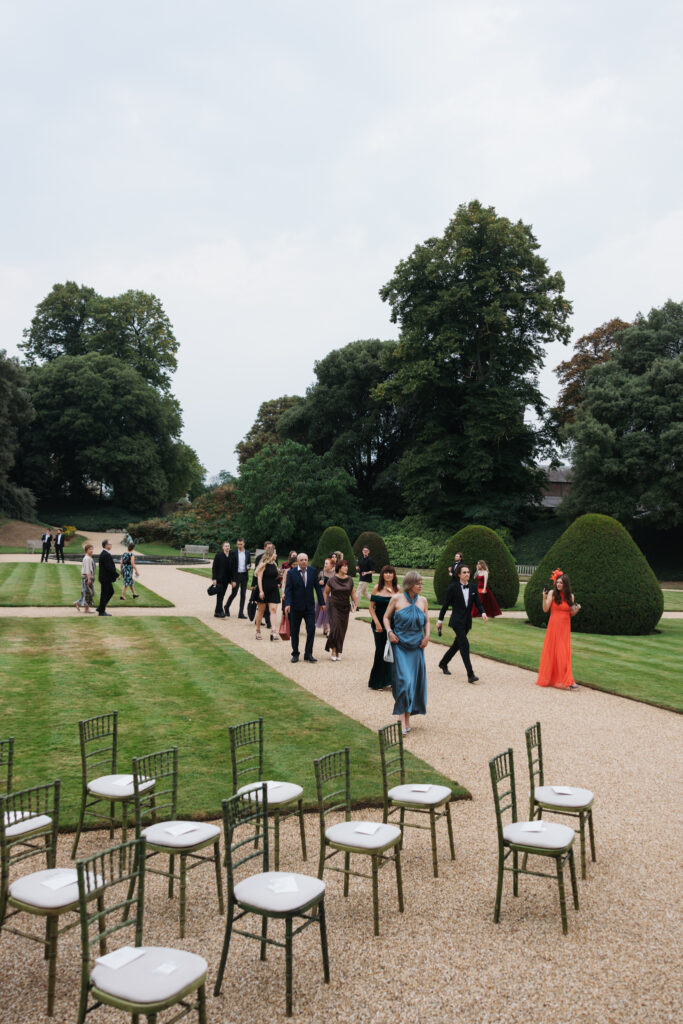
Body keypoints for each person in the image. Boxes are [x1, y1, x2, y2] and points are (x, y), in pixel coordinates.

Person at [384, 570, 429, 735]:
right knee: (405, 683)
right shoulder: (396, 599)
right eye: (418, 583)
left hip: (417, 648)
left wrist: (427, 636)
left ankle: (407, 718)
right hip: (400, 646)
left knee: (413, 685)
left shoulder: (423, 601)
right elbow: (386, 617)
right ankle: (402, 720)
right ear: (410, 584)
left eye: (421, 583)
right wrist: (389, 632)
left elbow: (427, 621)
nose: (421, 586)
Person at [437, 564, 488, 682]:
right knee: (464, 644)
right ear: (459, 575)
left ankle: (443, 663)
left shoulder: (473, 587)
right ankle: (470, 674)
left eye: (468, 572)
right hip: (456, 621)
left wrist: (483, 613)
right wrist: (440, 621)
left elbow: (478, 603)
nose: (467, 574)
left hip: (467, 622)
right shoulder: (452, 587)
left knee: (457, 644)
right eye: (464, 572)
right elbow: (445, 606)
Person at [537, 569, 581, 690]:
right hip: (554, 626)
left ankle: (567, 679)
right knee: (553, 651)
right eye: (557, 582)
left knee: (564, 653)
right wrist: (544, 597)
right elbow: (545, 609)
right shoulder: (552, 593)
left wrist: (576, 610)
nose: (558, 584)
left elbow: (571, 613)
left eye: (561, 583)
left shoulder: (570, 596)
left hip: (565, 628)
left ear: (566, 584)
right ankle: (557, 679)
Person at [284, 552, 325, 663]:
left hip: (309, 607)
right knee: (295, 631)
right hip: (295, 607)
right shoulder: (292, 573)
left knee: (311, 629)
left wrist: (322, 603)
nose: (303, 562)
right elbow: (288, 590)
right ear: (297, 561)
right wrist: (287, 604)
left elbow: (317, 588)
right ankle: (295, 653)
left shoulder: (312, 571)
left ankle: (308, 653)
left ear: (308, 561)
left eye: (305, 560)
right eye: (301, 560)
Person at [368, 565, 399, 690]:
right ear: (382, 575)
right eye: (386, 573)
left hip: (393, 624)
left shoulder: (397, 589)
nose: (388, 575)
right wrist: (377, 622)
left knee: (392, 651)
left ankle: (389, 679)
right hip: (379, 624)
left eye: (390, 573)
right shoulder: (377, 588)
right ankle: (376, 682)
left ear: (394, 575)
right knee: (380, 650)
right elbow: (371, 608)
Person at [324, 560, 358, 661]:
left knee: (342, 630)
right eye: (344, 566)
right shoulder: (332, 580)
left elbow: (353, 593)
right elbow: (326, 593)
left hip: (345, 607)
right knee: (335, 628)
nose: (346, 568)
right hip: (334, 606)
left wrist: (355, 604)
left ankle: (338, 650)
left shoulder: (350, 580)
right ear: (339, 568)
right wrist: (324, 604)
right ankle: (334, 649)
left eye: (347, 566)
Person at [254, 547, 281, 641]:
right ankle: (258, 630)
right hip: (264, 589)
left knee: (273, 609)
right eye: (275, 553)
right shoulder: (263, 565)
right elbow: (259, 578)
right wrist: (261, 591)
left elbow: (275, 576)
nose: (276, 555)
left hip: (273, 589)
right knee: (261, 611)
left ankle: (273, 631)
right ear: (271, 554)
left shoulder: (274, 564)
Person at [226, 538, 251, 618]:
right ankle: (226, 606)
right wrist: (232, 579)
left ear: (244, 544)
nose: (239, 546)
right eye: (238, 544)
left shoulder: (247, 553)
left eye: (241, 544)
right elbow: (230, 567)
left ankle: (241, 613)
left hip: (244, 575)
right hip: (236, 576)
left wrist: (249, 566)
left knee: (243, 594)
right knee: (234, 593)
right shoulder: (233, 552)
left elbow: (249, 563)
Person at [211, 541, 235, 618]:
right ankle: (220, 611)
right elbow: (214, 567)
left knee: (222, 595)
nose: (227, 547)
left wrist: (232, 580)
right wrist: (214, 578)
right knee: (220, 595)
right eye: (226, 546)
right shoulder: (218, 556)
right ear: (223, 547)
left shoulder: (231, 556)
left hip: (226, 580)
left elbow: (231, 569)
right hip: (219, 579)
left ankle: (217, 611)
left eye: (228, 546)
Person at [278, 551, 298, 640]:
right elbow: (284, 583)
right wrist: (283, 593)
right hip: (288, 593)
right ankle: (288, 628)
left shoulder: (299, 571)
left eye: (296, 564)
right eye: (293, 564)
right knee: (287, 611)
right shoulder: (287, 571)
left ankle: (294, 628)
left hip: (296, 594)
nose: (295, 566)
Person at [97, 539, 119, 617]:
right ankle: (101, 611)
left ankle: (100, 607)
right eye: (110, 544)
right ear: (106, 545)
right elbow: (109, 567)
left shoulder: (104, 554)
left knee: (110, 592)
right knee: (105, 594)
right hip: (105, 578)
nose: (111, 545)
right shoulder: (105, 554)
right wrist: (117, 575)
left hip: (104, 577)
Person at [73, 543, 96, 613]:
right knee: (88, 593)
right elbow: (87, 569)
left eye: (92, 549)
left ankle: (78, 603)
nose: (91, 550)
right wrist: (89, 579)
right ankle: (86, 609)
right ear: (86, 550)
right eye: (90, 549)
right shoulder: (87, 558)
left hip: (89, 577)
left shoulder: (89, 558)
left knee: (89, 593)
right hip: (86, 578)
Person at [315, 557, 334, 636]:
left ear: (331, 565)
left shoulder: (335, 573)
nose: (325, 565)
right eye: (325, 563)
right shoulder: (321, 572)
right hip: (322, 593)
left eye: (327, 563)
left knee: (328, 611)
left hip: (331, 593)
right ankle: (325, 628)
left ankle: (328, 628)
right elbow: (316, 583)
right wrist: (319, 582)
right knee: (319, 610)